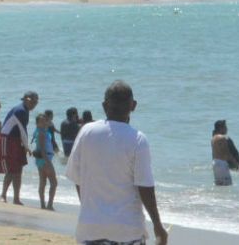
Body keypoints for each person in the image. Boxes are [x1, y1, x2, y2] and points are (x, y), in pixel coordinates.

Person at [66, 81, 168, 245]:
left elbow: (77, 178)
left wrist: (91, 210)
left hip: (90, 229)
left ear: (104, 105)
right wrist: (157, 225)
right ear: (133, 105)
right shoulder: (137, 139)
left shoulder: (86, 132)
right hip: (127, 231)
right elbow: (145, 187)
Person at [0, 91, 39, 205]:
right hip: (7, 139)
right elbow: (22, 130)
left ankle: (16, 198)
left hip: (17, 139)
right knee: (11, 169)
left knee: (19, 169)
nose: (34, 104)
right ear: (25, 99)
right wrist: (27, 147)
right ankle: (3, 195)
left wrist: (24, 145)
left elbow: (22, 131)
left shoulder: (25, 110)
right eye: (32, 101)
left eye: (36, 102)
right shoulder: (20, 110)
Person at [33, 113, 57, 211]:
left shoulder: (40, 131)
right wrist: (47, 161)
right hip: (45, 159)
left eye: (45, 121)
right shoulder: (42, 133)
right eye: (41, 121)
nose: (44, 123)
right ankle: (49, 205)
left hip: (40, 160)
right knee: (54, 183)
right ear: (37, 123)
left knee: (42, 181)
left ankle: (43, 204)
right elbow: (42, 148)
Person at [211, 120, 238, 186]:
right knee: (227, 185)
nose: (227, 129)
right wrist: (235, 163)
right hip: (222, 163)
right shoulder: (222, 138)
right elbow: (227, 153)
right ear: (221, 128)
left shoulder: (213, 138)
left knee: (219, 184)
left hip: (215, 162)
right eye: (225, 127)